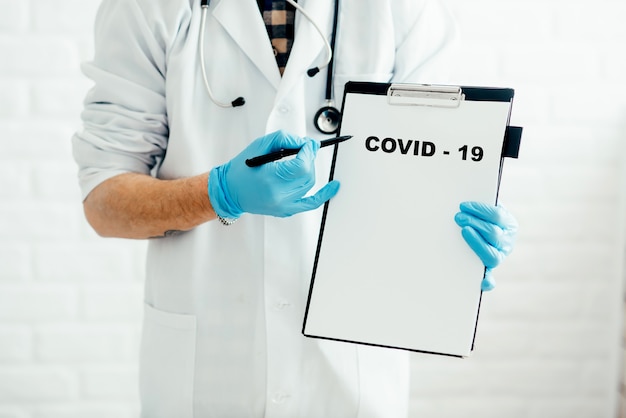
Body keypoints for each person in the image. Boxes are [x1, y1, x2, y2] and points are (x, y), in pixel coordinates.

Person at [72, 0, 518, 416]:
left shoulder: (401, 11)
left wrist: (453, 251)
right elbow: (104, 200)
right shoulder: (148, 8)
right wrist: (218, 192)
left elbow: (439, 161)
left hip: (351, 371)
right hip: (209, 369)